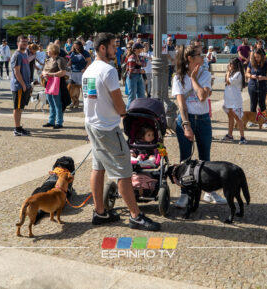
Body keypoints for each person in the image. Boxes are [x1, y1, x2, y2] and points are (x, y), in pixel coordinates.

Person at [83, 32, 161, 231]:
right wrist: (125, 113)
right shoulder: (108, 71)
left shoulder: (89, 70)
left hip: (92, 124)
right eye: (113, 46)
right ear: (103, 48)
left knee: (98, 167)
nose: (116, 50)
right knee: (124, 172)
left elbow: (92, 98)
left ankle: (100, 212)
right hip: (107, 128)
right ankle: (136, 216)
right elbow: (119, 103)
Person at [171, 43, 225, 206]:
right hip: (186, 119)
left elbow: (202, 97)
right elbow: (181, 104)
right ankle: (185, 193)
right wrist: (186, 125)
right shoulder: (178, 77)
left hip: (203, 119)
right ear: (190, 58)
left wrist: (193, 79)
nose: (203, 57)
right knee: (185, 159)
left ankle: (208, 192)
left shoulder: (205, 74)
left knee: (205, 158)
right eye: (200, 55)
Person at [9, 35, 32, 137]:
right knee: (17, 108)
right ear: (18, 43)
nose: (25, 44)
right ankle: (16, 129)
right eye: (22, 42)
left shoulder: (25, 54)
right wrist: (23, 84)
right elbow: (17, 72)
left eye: (26, 42)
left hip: (25, 85)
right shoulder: (17, 55)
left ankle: (18, 127)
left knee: (20, 107)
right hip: (19, 86)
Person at [221, 57, 247, 144]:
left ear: (235, 65)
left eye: (231, 64)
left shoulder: (238, 74)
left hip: (235, 100)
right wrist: (228, 72)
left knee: (238, 117)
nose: (229, 65)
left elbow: (229, 81)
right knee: (230, 117)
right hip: (229, 99)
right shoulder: (232, 73)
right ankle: (230, 134)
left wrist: (228, 72)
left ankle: (242, 137)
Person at [42, 43, 68, 129]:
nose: (47, 51)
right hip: (48, 83)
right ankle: (51, 121)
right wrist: (44, 74)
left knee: (57, 103)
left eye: (48, 49)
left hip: (57, 83)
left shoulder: (60, 60)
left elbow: (63, 72)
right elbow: (43, 70)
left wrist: (51, 74)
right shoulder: (48, 59)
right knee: (50, 103)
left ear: (53, 50)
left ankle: (59, 122)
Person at [246, 48, 267, 119]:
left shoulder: (266, 64)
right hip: (252, 86)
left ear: (262, 56)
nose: (256, 58)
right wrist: (251, 76)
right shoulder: (251, 63)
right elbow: (246, 73)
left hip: (262, 86)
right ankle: (252, 120)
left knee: (262, 104)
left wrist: (263, 77)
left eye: (258, 57)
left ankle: (265, 120)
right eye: (255, 57)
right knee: (253, 104)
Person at [68, 41, 91, 109]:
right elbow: (70, 62)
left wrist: (85, 68)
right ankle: (75, 102)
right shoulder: (72, 53)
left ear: (80, 46)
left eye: (77, 46)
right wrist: (66, 67)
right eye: (74, 46)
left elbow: (89, 62)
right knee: (74, 89)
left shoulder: (85, 53)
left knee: (83, 88)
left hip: (82, 72)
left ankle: (85, 102)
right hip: (73, 72)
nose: (76, 47)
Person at [125, 42, 146, 106]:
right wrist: (140, 71)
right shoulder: (132, 57)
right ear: (136, 49)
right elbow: (131, 70)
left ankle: (138, 110)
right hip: (132, 77)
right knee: (132, 97)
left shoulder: (139, 56)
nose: (142, 49)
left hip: (138, 77)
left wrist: (140, 63)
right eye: (141, 48)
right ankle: (128, 112)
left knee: (141, 95)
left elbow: (145, 64)